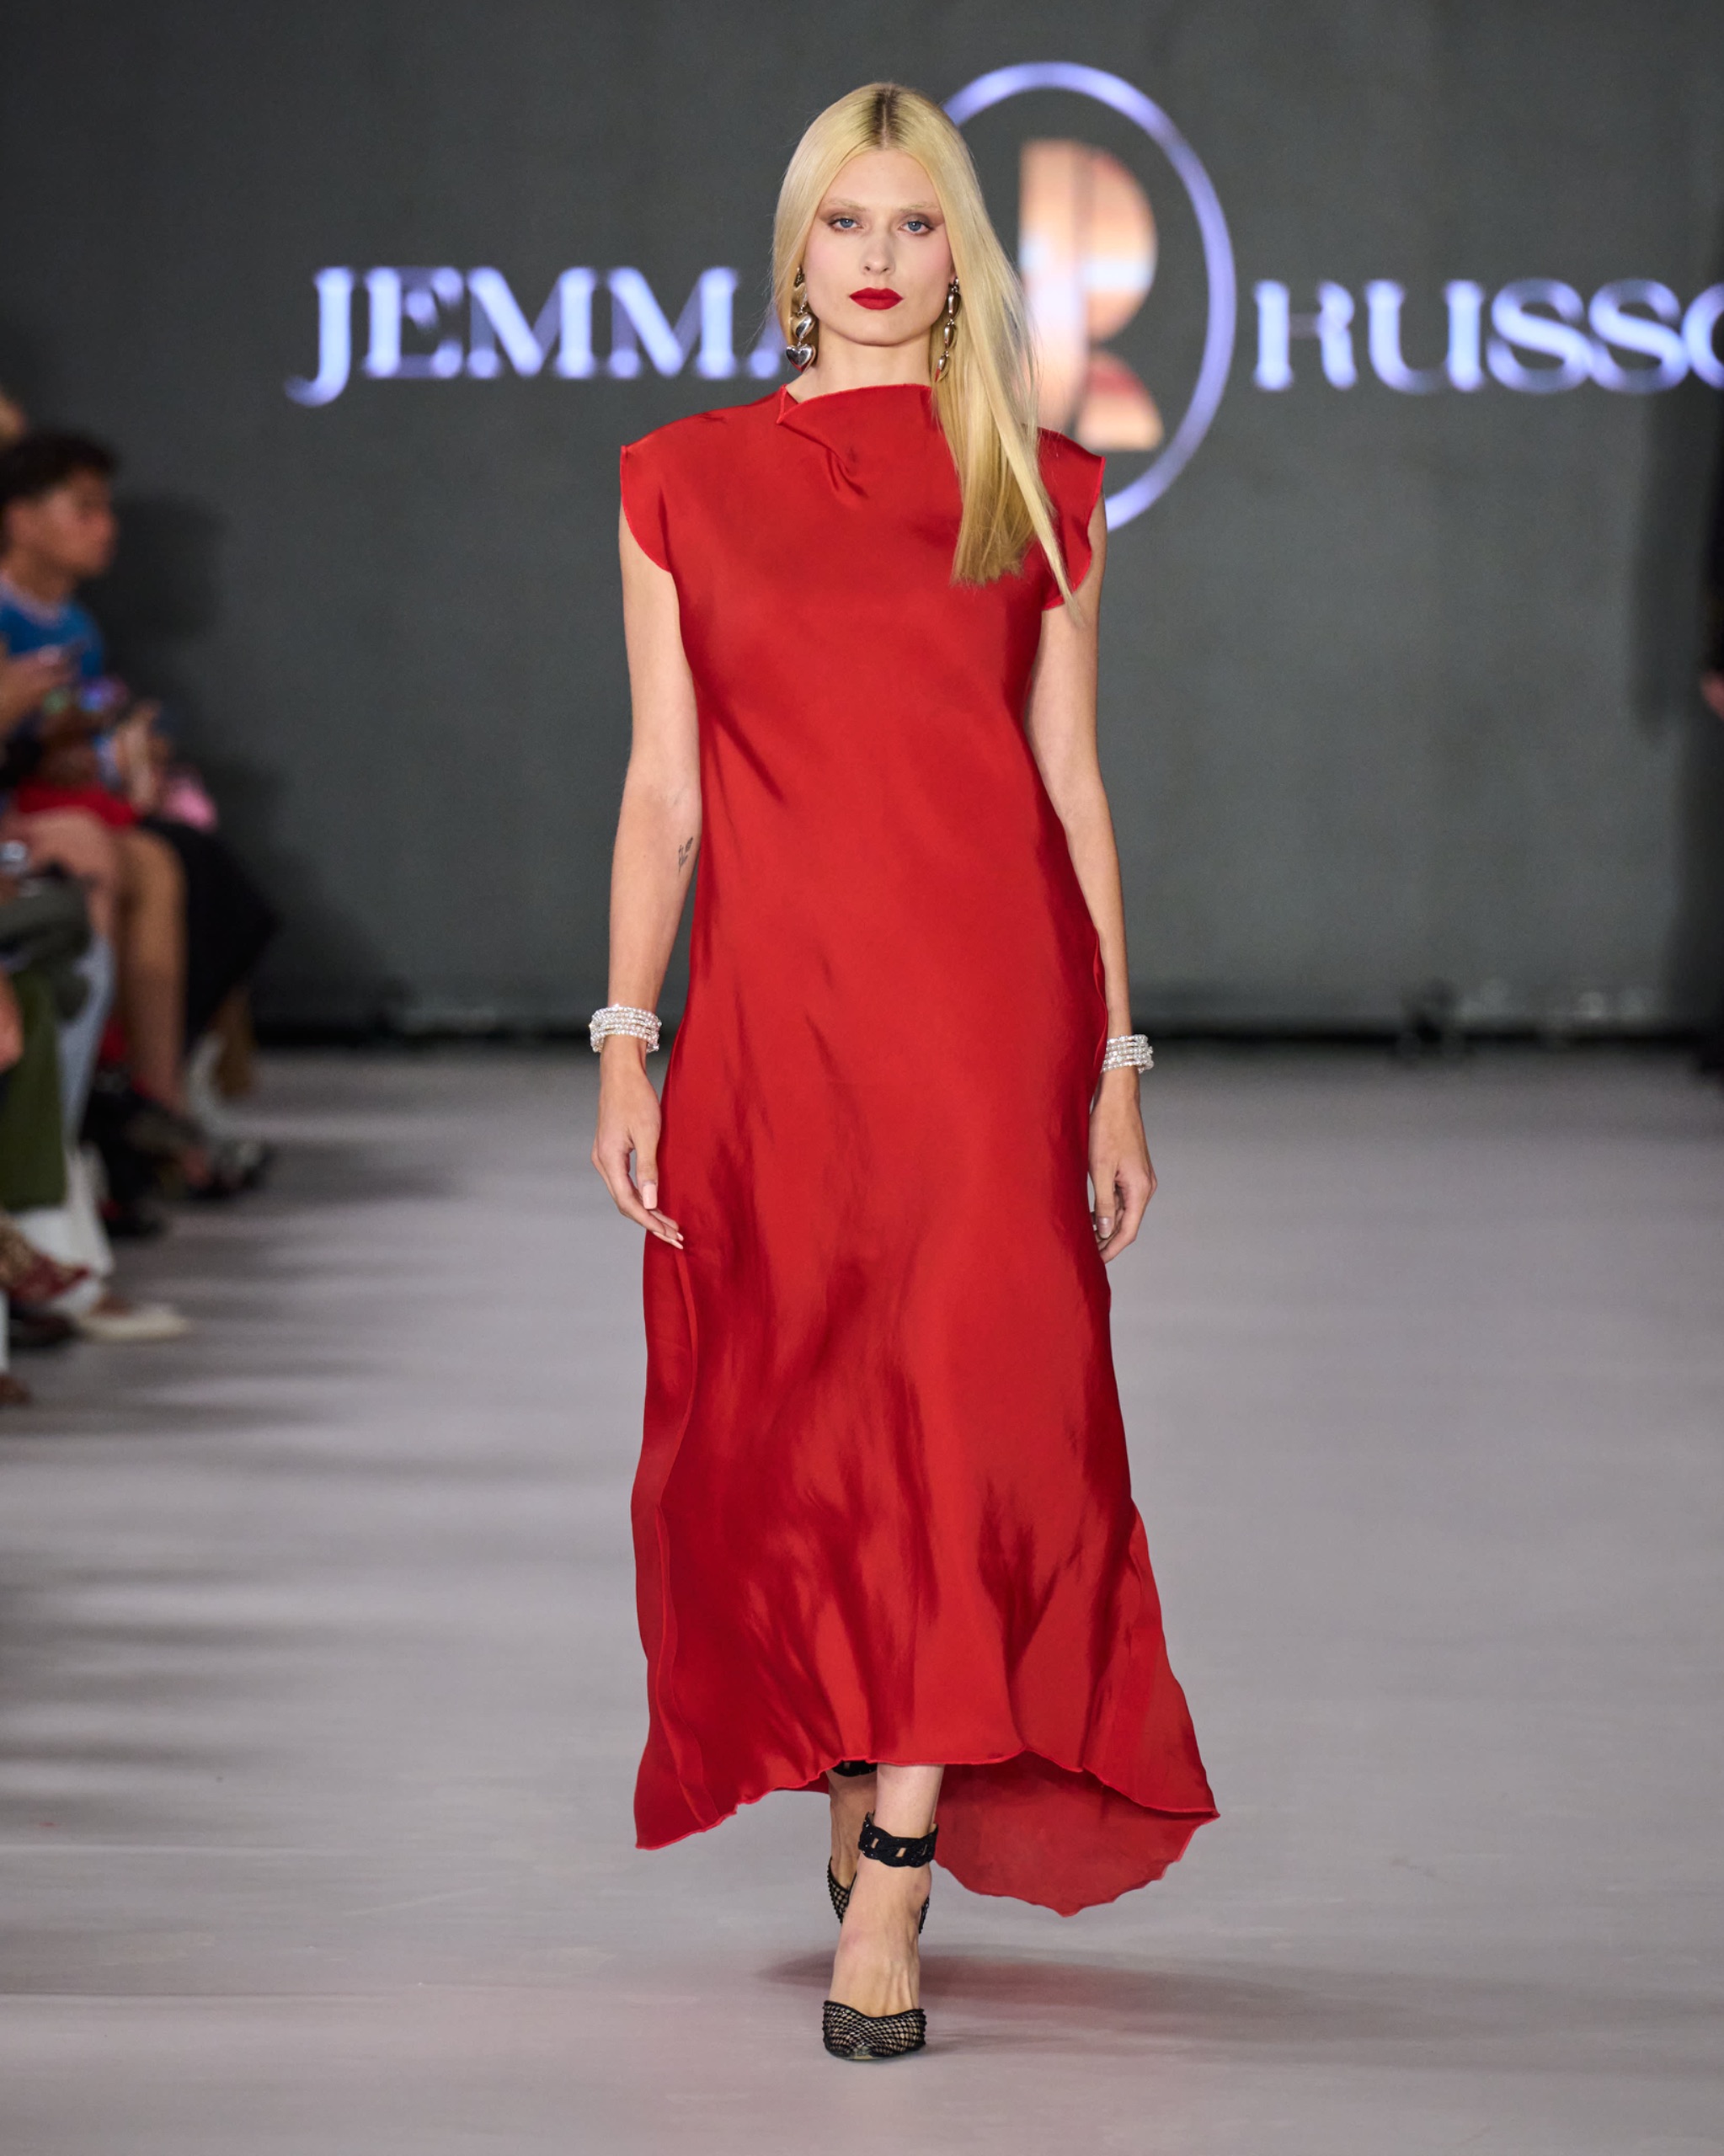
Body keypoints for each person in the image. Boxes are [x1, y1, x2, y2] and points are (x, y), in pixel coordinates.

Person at [591, 83, 1214, 2063]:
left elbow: (1076, 790)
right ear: (794, 254)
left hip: (985, 1022)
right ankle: (863, 1749)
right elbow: (665, 789)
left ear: (962, 256)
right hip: (777, 1031)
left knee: (966, 1417)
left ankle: (898, 1883)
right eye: (844, 221)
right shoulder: (674, 478)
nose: (877, 255)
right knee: (798, 1417)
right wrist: (624, 1030)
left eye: (917, 223)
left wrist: (1115, 1056)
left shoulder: (1042, 482)